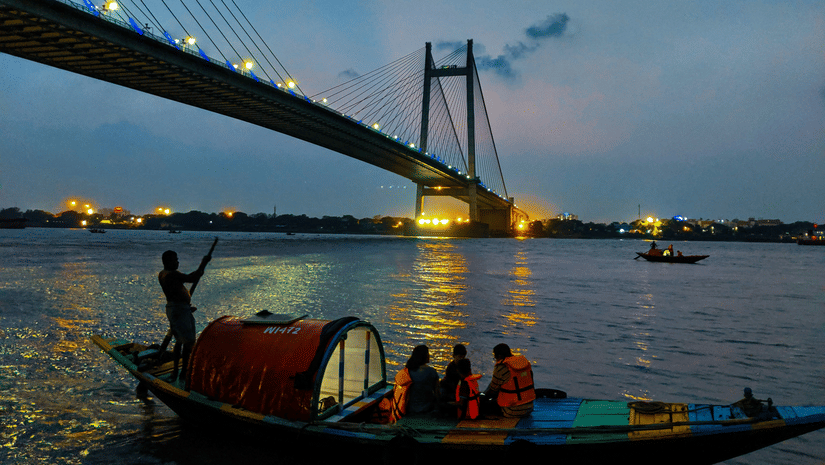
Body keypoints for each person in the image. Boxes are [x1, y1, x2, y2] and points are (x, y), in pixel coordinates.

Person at [158, 250, 210, 382]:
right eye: (175, 259)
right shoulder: (170, 275)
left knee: (180, 341)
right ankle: (182, 372)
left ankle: (179, 372)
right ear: (168, 262)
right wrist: (203, 264)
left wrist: (186, 307)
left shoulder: (165, 274)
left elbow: (183, 286)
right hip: (178, 310)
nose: (178, 262)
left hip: (181, 309)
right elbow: (192, 278)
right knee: (188, 343)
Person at [483, 343, 535, 418]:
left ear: (499, 356)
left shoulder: (502, 367)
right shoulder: (525, 363)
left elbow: (492, 391)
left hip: (511, 410)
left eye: (495, 357)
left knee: (484, 404)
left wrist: (482, 398)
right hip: (529, 408)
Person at [390, 345, 439, 421]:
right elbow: (437, 394)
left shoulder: (407, 371)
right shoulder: (432, 372)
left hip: (408, 409)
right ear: (425, 356)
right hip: (426, 410)